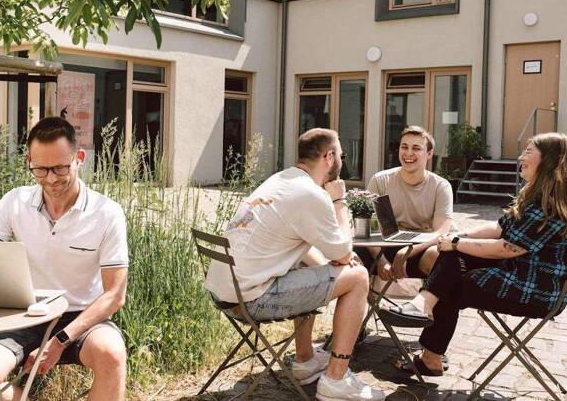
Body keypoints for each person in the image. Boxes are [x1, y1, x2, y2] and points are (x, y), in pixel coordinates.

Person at [205, 128, 385, 400]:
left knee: (311, 268)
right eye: (342, 156)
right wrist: (338, 201)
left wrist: (333, 265)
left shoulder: (281, 180)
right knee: (359, 277)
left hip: (227, 294)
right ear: (329, 157)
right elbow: (344, 252)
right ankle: (335, 380)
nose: (342, 161)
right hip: (252, 300)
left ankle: (305, 360)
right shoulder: (310, 194)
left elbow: (316, 251)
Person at [0, 117, 129, 401]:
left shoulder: (107, 213)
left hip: (81, 317)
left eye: (60, 168)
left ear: (79, 158)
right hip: (25, 314)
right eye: (40, 169)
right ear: (29, 161)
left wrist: (60, 341)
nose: (50, 178)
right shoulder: (14, 201)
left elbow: (115, 295)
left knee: (111, 355)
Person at [384, 132, 567, 376]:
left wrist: (456, 243)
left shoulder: (551, 206)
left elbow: (506, 248)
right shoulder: (534, 195)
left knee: (449, 279)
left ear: (548, 161)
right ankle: (424, 321)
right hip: (514, 273)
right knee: (451, 260)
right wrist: (457, 237)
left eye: (528, 152)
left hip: (534, 291)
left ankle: (428, 343)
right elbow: (497, 228)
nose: (521, 157)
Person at [358, 125, 454, 281]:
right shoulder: (381, 181)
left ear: (429, 154)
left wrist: (407, 252)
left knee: (438, 257)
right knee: (351, 255)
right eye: (404, 147)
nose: (408, 153)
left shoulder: (441, 187)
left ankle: (429, 297)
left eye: (416, 148)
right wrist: (381, 261)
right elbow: (369, 229)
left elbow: (441, 233)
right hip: (386, 245)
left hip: (420, 247)